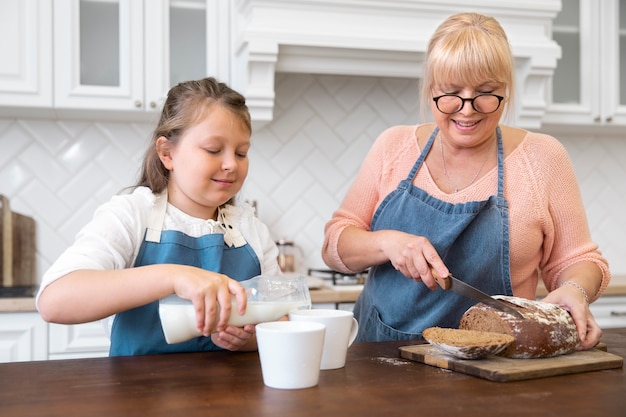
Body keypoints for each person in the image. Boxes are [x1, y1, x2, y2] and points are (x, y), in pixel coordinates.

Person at [321, 13, 610, 350]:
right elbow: (334, 245)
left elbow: (580, 261)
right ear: (431, 89)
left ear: (506, 89)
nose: (467, 109)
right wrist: (387, 243)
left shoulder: (544, 158)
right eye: (451, 92)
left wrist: (575, 289)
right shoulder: (393, 147)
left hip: (497, 366)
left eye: (486, 92)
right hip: (379, 359)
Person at [37, 77, 282, 356]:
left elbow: (282, 322)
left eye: (241, 153)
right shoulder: (132, 214)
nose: (230, 164)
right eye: (213, 150)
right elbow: (54, 301)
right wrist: (174, 277)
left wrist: (246, 340)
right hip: (139, 396)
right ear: (167, 153)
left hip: (234, 396)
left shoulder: (251, 229)